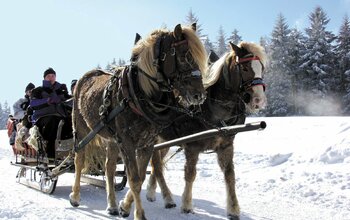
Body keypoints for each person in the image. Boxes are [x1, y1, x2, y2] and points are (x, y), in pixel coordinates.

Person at [29, 67, 72, 159]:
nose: (51, 78)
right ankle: (50, 153)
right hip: (42, 118)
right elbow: (33, 104)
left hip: (60, 116)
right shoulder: (38, 90)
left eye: (53, 76)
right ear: (44, 78)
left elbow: (69, 100)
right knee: (53, 122)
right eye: (48, 76)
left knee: (71, 123)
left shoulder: (60, 90)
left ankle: (69, 152)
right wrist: (47, 100)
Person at [8, 83, 35, 155]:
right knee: (19, 127)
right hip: (24, 120)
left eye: (33, 91)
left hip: (34, 119)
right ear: (26, 92)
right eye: (29, 91)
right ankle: (18, 143)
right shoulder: (22, 101)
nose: (31, 93)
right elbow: (16, 112)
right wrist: (25, 114)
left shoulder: (36, 99)